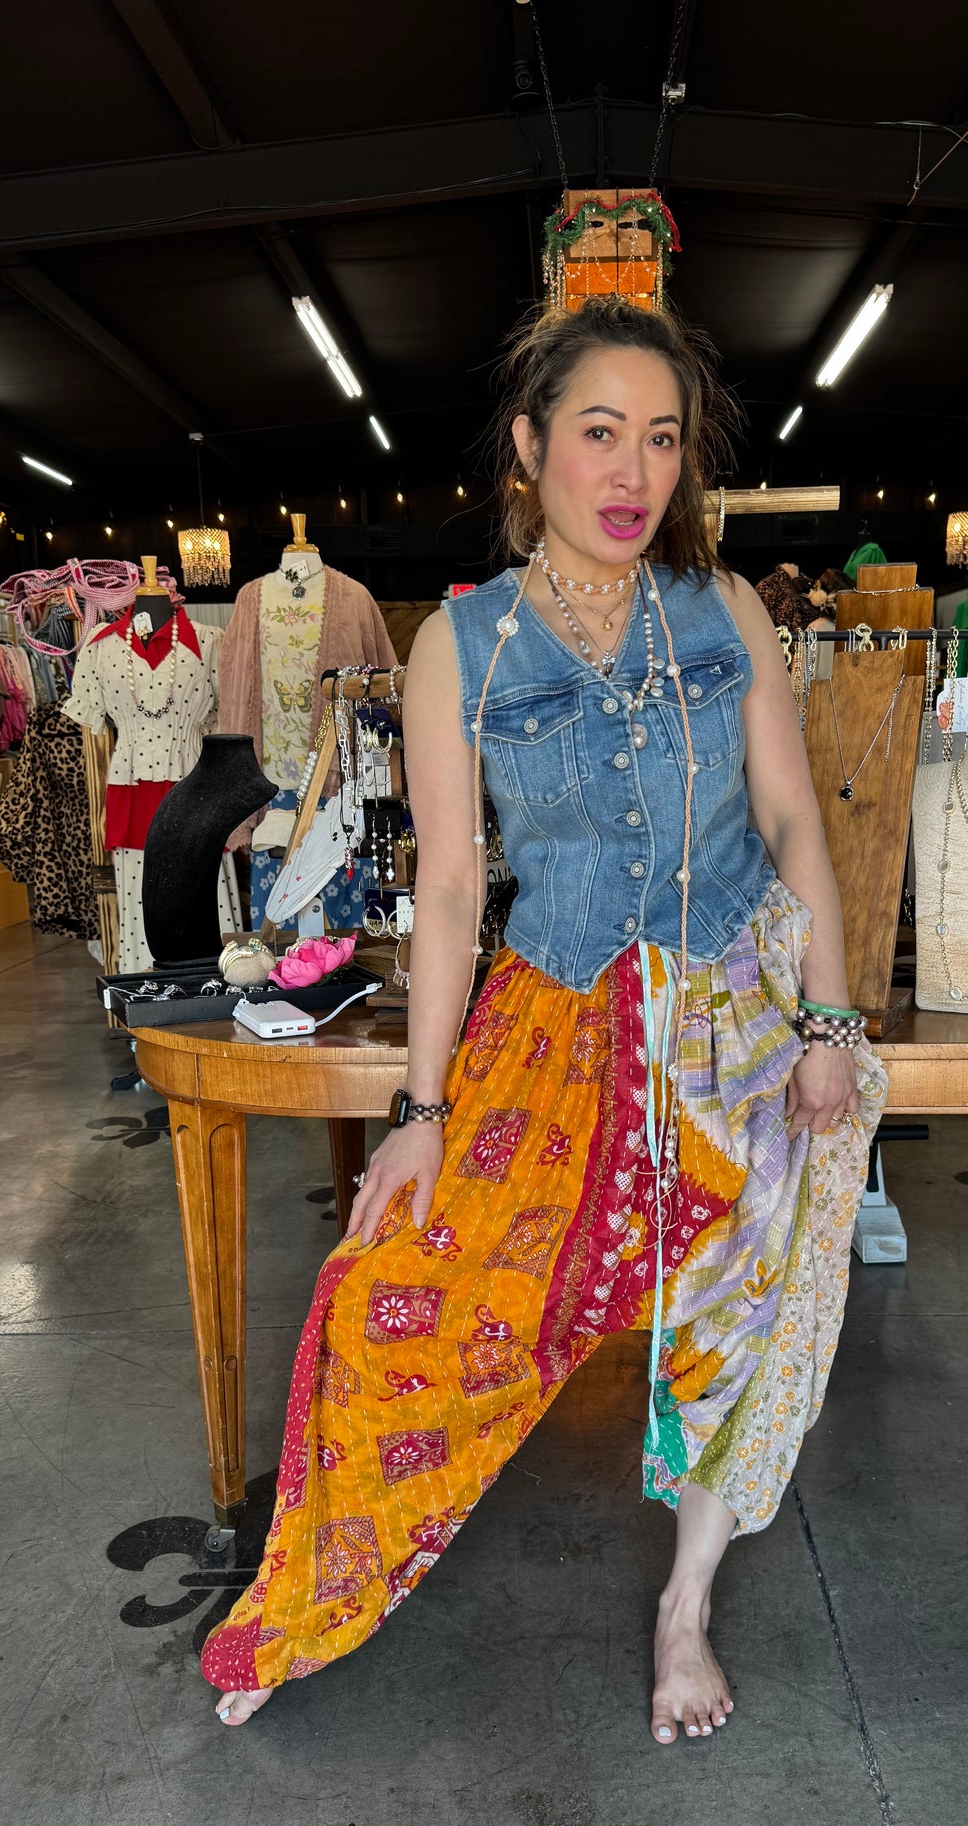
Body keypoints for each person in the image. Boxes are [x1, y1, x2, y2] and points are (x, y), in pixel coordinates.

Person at [205, 296, 886, 1742]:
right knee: (400, 1300)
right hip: (555, 1021)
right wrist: (420, 1112)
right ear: (530, 447)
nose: (635, 473)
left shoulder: (725, 609)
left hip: (735, 1017)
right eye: (600, 433)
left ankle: (686, 1606)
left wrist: (829, 1024)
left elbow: (789, 820)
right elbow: (451, 890)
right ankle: (312, 1597)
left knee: (740, 1317)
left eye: (664, 439)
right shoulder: (460, 645)